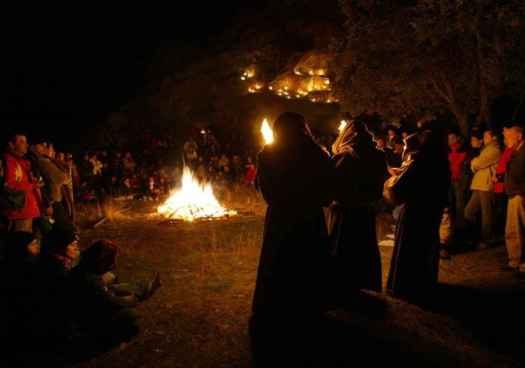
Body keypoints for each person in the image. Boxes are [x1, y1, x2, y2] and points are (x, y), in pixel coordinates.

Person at [250, 112, 333, 367]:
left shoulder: (268, 154)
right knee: (307, 264)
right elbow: (328, 192)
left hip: (282, 220)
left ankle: (276, 309)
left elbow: (267, 191)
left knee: (280, 262)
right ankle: (308, 309)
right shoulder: (318, 154)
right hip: (309, 219)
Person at [385, 122, 451, 303]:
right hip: (431, 213)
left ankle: (406, 287)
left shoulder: (419, 162)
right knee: (426, 247)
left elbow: (399, 190)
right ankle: (424, 284)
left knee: (410, 249)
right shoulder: (441, 161)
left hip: (415, 212)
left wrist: (394, 180)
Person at [328, 120, 387, 295]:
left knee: (343, 246)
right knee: (363, 246)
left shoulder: (345, 156)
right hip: (366, 209)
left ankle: (342, 284)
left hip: (345, 210)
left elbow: (333, 183)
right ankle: (361, 282)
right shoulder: (378, 155)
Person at [464, 130, 501, 249]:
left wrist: (475, 163)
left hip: (486, 185)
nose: (484, 138)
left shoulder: (495, 150)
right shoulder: (485, 150)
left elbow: (477, 163)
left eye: (486, 136)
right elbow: (476, 164)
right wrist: (476, 163)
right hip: (479, 185)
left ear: (493, 138)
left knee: (487, 215)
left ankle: (487, 239)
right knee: (469, 212)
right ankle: (475, 236)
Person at [3, 134, 41, 233]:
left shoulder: (22, 161)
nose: (27, 145)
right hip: (20, 213)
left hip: (28, 211)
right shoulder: (8, 160)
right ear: (11, 145)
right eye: (22, 141)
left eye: (26, 142)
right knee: (20, 245)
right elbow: (9, 186)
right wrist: (33, 185)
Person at [502, 125, 525, 273]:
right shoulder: (514, 151)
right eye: (506, 137)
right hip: (513, 193)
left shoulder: (522, 152)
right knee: (512, 229)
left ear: (519, 136)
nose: (507, 140)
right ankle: (514, 260)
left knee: (520, 228)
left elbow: (518, 173)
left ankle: (521, 261)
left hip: (520, 194)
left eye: (510, 136)